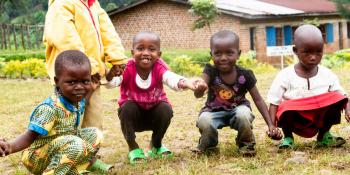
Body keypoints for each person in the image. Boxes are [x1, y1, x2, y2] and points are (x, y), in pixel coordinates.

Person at [0, 50, 112, 174]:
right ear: (57, 81)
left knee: (95, 134)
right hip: (37, 157)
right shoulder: (50, 109)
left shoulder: (77, 100)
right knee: (76, 143)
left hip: (64, 147)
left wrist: (91, 88)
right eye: (72, 82)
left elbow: (84, 100)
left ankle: (73, 170)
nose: (79, 87)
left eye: (85, 81)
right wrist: (9, 146)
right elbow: (29, 136)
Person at [106, 31, 207, 164]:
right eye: (140, 48)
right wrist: (110, 75)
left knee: (166, 108)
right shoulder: (127, 67)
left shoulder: (159, 66)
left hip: (155, 116)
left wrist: (187, 83)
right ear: (132, 52)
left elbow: (171, 78)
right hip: (132, 118)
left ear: (159, 55)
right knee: (127, 107)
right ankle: (133, 147)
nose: (146, 53)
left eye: (152, 49)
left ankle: (156, 145)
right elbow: (112, 83)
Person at [193, 30, 282, 157]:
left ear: (238, 54)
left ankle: (246, 145)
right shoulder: (210, 71)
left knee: (243, 114)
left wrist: (271, 124)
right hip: (213, 111)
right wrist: (199, 88)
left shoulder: (245, 75)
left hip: (238, 109)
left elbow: (258, 99)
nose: (223, 58)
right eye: (217, 53)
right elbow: (198, 93)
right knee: (204, 120)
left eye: (229, 53)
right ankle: (209, 145)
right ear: (211, 54)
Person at [44, 0, 127, 130]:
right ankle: (66, 148)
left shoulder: (93, 4)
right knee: (69, 122)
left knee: (93, 123)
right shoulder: (61, 4)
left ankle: (89, 149)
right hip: (71, 78)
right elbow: (67, 40)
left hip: (92, 77)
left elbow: (107, 32)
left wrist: (117, 58)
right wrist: (89, 68)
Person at [267, 24, 350, 149]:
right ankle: (288, 137)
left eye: (318, 52)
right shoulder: (285, 75)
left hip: (319, 117)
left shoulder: (327, 74)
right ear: (295, 51)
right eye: (307, 52)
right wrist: (272, 127)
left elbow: (342, 95)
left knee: (337, 98)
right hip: (296, 118)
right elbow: (274, 102)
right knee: (284, 107)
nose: (313, 57)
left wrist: (348, 109)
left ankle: (323, 135)